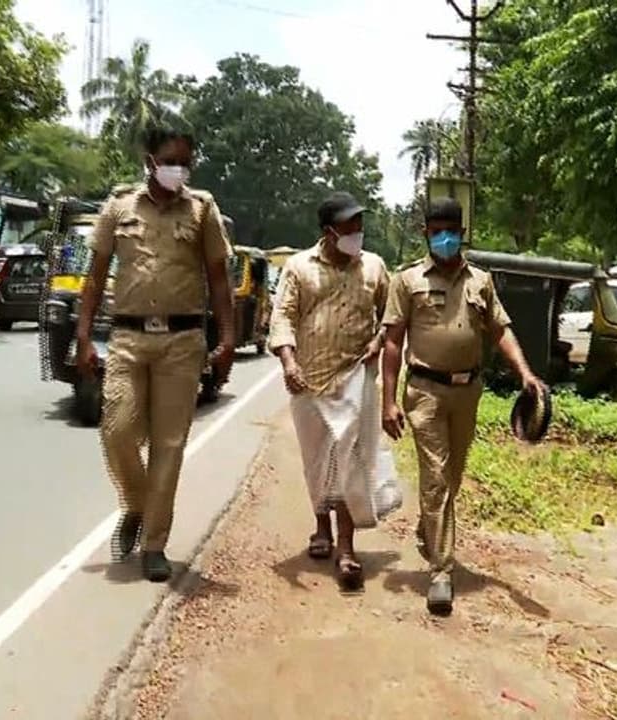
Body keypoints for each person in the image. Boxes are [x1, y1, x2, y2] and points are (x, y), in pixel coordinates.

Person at [75, 125, 236, 583]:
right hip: (127, 338)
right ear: (150, 162)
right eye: (171, 160)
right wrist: (84, 338)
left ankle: (154, 544)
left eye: (186, 162)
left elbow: (219, 279)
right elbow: (94, 275)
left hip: (183, 343)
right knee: (118, 429)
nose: (179, 169)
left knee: (169, 444)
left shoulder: (203, 210)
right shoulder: (118, 207)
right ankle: (137, 503)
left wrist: (226, 339)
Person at [380, 197, 547, 615]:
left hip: (468, 391)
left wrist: (525, 374)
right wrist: (387, 400)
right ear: (426, 233)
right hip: (424, 392)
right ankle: (441, 570)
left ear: (462, 233)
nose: (444, 238)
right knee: (435, 476)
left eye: (450, 230)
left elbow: (501, 330)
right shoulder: (408, 280)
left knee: (452, 474)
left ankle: (429, 528)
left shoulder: (482, 282)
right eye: (436, 231)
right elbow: (392, 342)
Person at [268, 191, 397, 590]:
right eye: (348, 226)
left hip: (355, 377)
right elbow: (283, 315)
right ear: (328, 231)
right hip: (308, 379)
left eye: (360, 225)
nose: (357, 232)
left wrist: (379, 341)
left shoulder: (374, 267)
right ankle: (320, 528)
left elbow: (391, 315)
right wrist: (289, 362)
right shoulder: (298, 267)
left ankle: (346, 546)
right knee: (317, 462)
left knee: (348, 463)